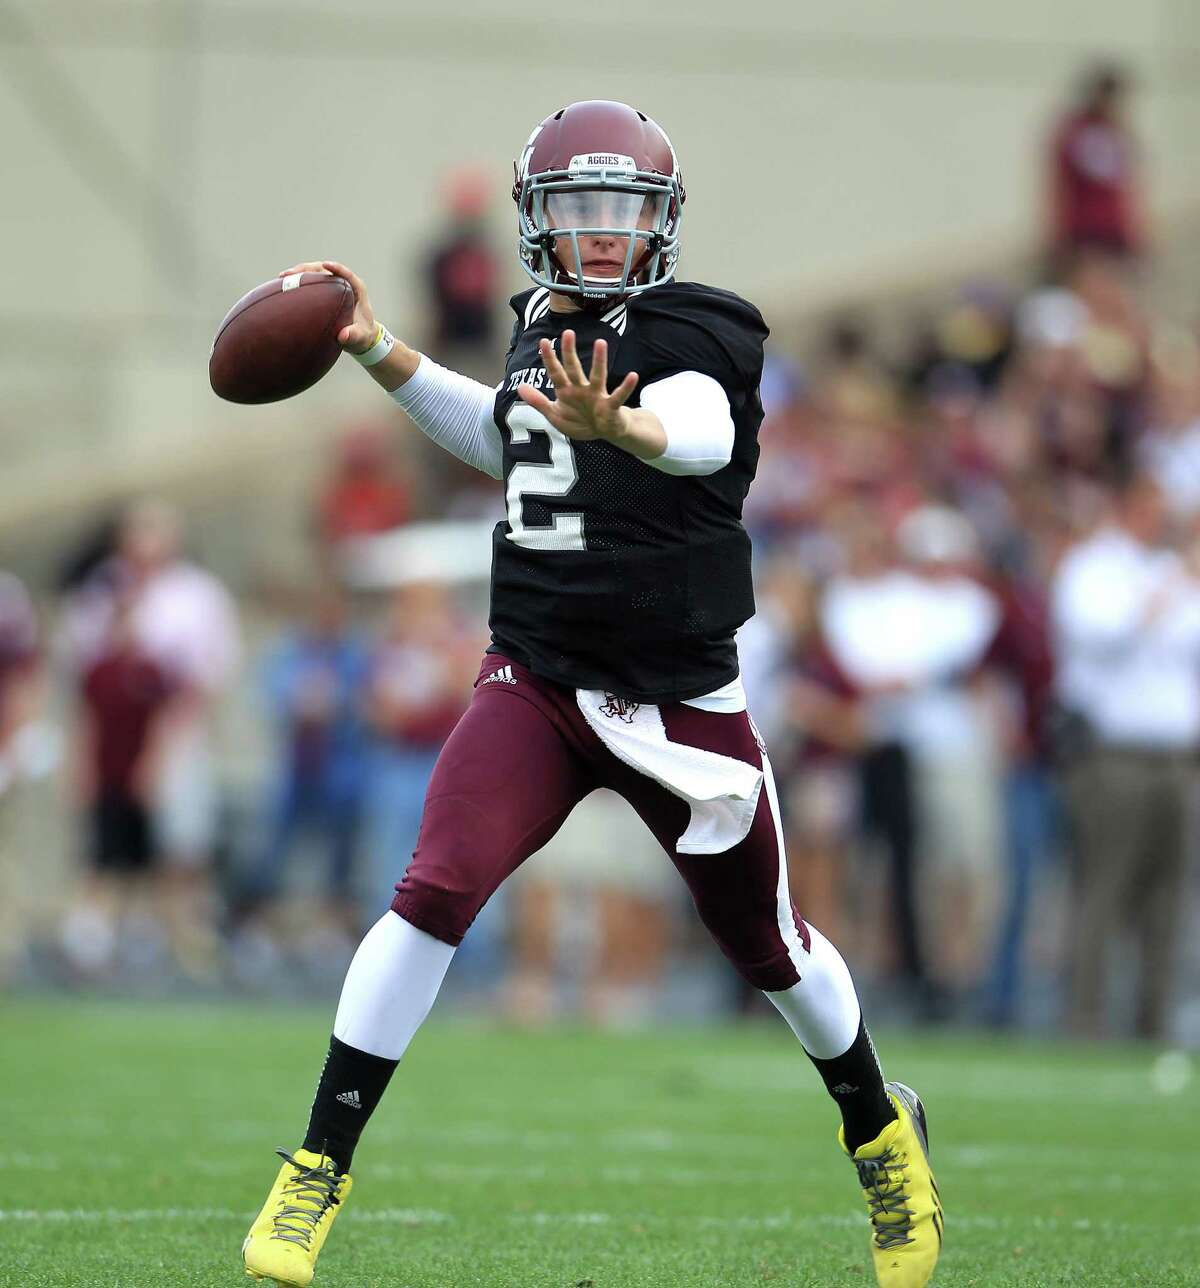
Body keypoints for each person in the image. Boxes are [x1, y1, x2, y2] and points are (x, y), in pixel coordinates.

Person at [242, 101, 942, 1288]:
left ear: (661, 220)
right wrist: (376, 347)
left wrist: (628, 422)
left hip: (678, 699)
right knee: (434, 889)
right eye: (579, 209)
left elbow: (703, 435)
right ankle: (315, 1167)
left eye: (624, 208)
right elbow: (511, 436)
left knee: (768, 945)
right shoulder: (539, 327)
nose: (605, 231)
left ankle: (880, 1129)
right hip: (541, 674)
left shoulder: (705, 331)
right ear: (538, 221)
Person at [1051, 473, 1200, 1039]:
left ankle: (1154, 1023)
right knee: (1105, 888)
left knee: (1168, 896)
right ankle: (1086, 1018)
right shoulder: (1096, 568)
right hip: (1114, 756)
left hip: (1177, 758)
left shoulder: (1171, 570)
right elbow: (1104, 636)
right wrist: (1164, 594)